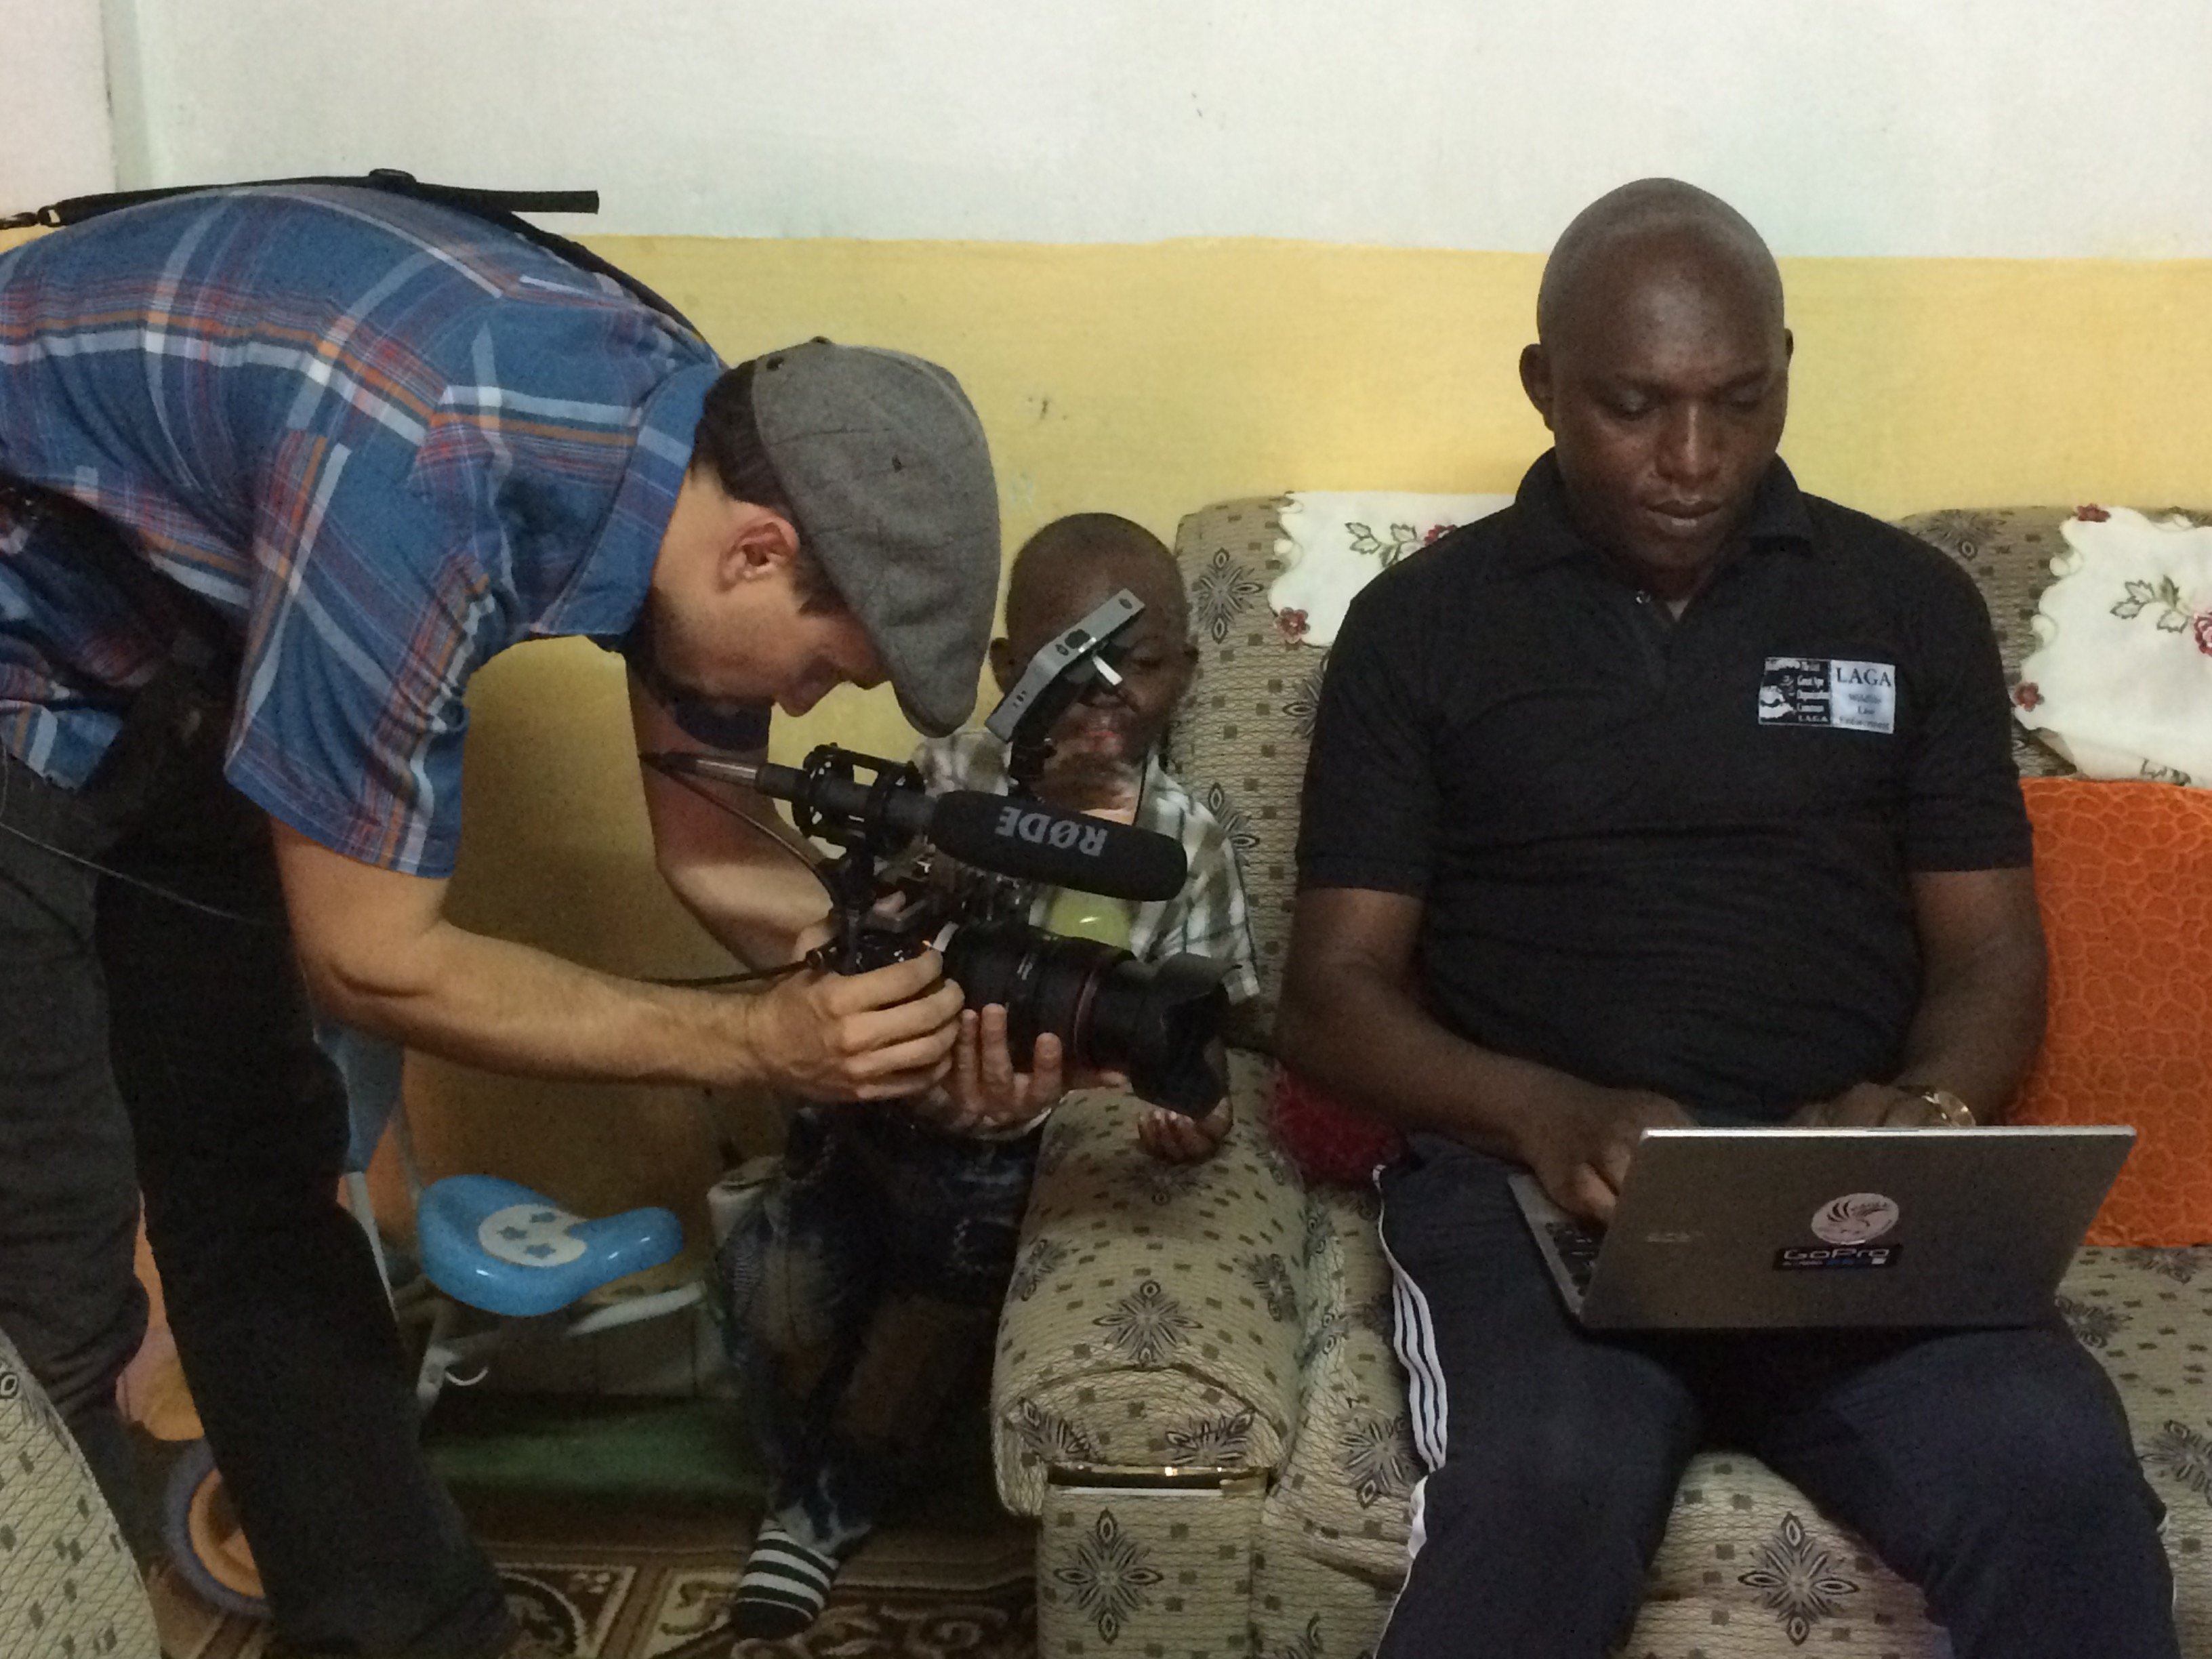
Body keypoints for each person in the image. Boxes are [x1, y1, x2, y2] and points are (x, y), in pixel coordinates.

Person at [0, 181, 1002, 1658]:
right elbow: (373, 960)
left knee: (257, 1167)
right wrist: (758, 1043)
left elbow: (712, 851)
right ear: (759, 551)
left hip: (168, 648)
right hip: (25, 641)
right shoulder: (431, 475)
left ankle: (415, 1637)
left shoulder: (702, 439)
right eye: (820, 670)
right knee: (49, 1256)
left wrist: (900, 1008)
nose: (800, 709)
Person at [1277, 178, 2177, 1659]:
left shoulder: (1910, 607)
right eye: (1634, 408)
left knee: (2057, 1473)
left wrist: (1932, 1112)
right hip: (1534, 1192)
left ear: (1784, 374)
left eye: (1740, 403)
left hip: (1842, 1205)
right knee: (1550, 1478)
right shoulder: (1423, 628)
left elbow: (1992, 954)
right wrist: (1545, 1112)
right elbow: (1332, 994)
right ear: (1543, 385)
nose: (1694, 461)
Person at [716, 512, 1260, 1639]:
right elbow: (855, 940)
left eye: (1138, 665)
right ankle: (798, 1400)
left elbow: (1207, 1021)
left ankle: (825, 1505)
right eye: (1072, 665)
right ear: (1010, 670)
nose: (1105, 697)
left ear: (1188, 670)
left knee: (925, 1319)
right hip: (869, 1108)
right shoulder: (945, 782)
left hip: (1017, 1155)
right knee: (783, 1304)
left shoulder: (1184, 841)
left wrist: (1182, 1107)